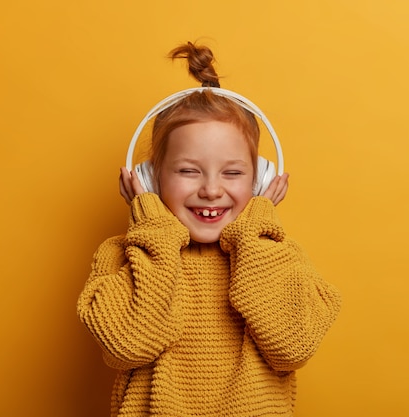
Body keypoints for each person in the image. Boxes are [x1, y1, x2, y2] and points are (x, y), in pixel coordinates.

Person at [77, 41, 341, 417]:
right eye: (188, 171)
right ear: (150, 179)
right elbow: (128, 345)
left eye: (232, 173)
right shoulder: (122, 255)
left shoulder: (277, 255)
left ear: (259, 180)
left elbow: (291, 347)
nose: (211, 189)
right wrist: (152, 228)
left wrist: (255, 231)